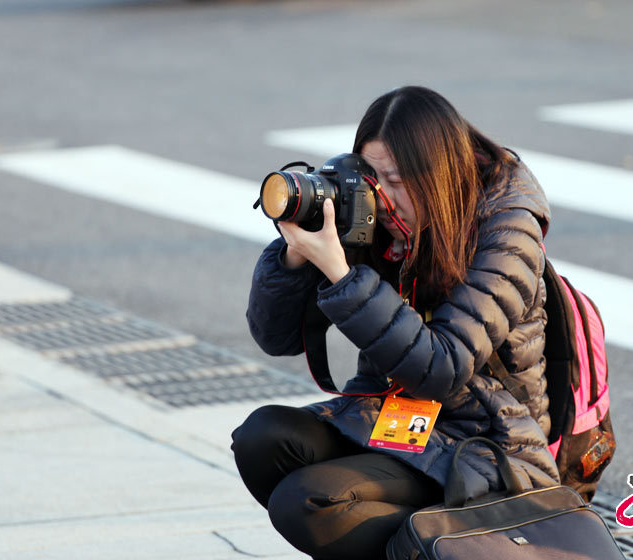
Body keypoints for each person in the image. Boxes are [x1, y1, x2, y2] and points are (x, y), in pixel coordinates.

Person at [232, 86, 558, 560]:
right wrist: (296, 258)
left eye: (399, 180)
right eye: (373, 176)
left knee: (308, 502)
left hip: (484, 446)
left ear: (442, 176)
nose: (383, 197)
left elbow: (444, 366)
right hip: (394, 419)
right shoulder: (373, 215)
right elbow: (275, 337)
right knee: (261, 438)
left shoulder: (507, 230)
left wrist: (343, 276)